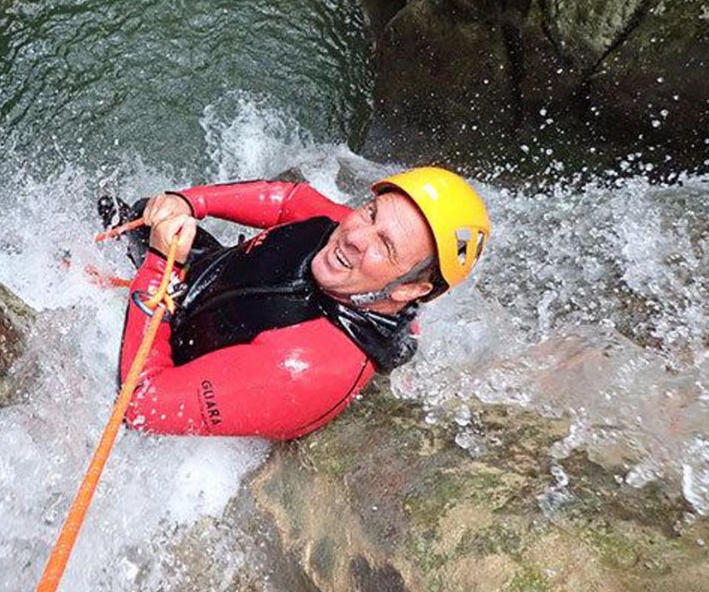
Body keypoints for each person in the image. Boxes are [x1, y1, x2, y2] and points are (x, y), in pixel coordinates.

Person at [103, 167, 490, 441]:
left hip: (168, 363)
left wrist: (157, 269)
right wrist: (190, 202)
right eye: (370, 213)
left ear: (409, 290)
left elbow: (141, 406)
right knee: (129, 211)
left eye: (385, 246)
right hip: (198, 286)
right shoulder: (352, 236)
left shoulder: (304, 369)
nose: (356, 236)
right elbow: (288, 200)